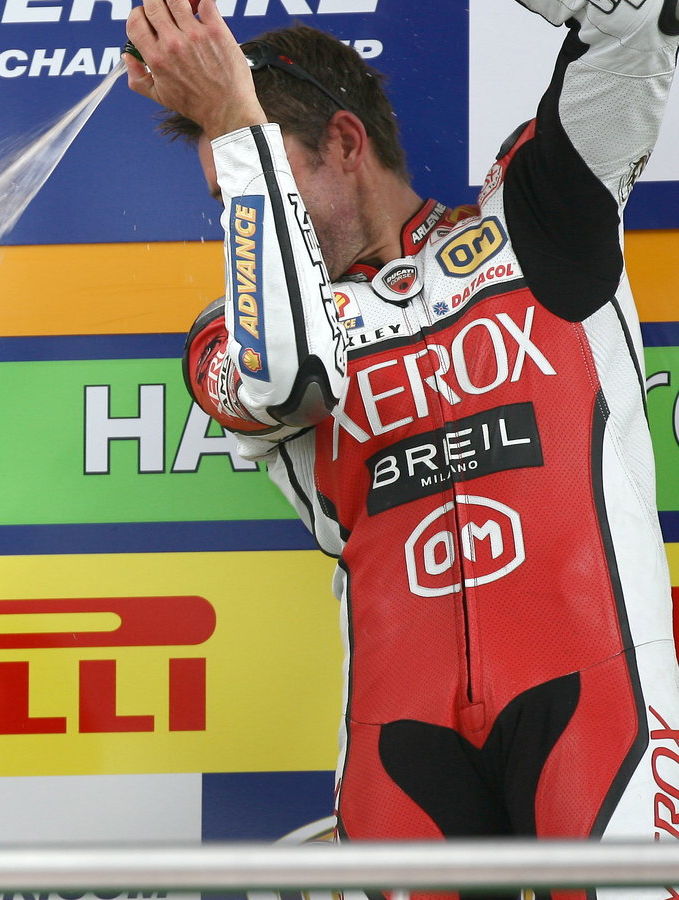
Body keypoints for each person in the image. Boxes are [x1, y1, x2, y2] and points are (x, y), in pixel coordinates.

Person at [125, 0, 679, 861]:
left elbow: (637, 22)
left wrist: (240, 122)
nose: (242, 212)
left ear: (346, 143)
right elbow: (294, 373)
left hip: (603, 701)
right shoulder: (229, 340)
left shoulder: (535, 218)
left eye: (257, 171)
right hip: (401, 745)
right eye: (231, 190)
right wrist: (238, 123)